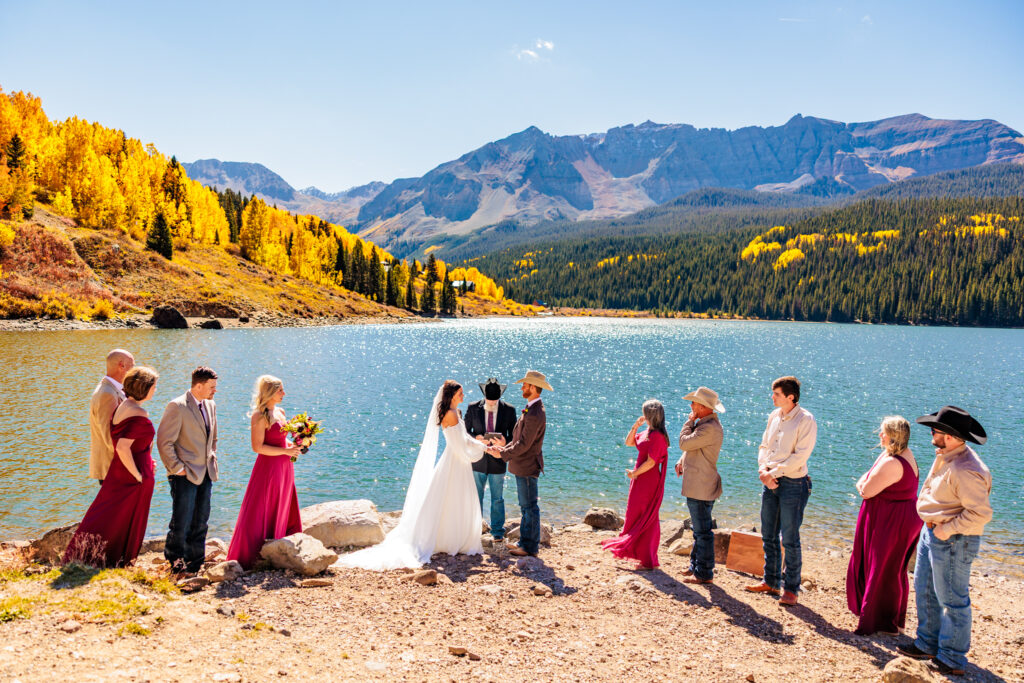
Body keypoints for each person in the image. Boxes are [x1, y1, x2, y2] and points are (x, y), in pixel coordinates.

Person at [336, 380, 488, 570]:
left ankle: (453, 539)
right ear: (451, 395)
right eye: (460, 394)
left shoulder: (455, 413)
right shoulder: (450, 414)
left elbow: (464, 439)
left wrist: (481, 444)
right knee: (454, 499)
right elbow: (459, 446)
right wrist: (481, 449)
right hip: (455, 462)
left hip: (458, 462)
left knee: (453, 500)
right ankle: (451, 540)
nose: (463, 396)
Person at [897, 406, 992, 677]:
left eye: (935, 430)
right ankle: (927, 643)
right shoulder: (947, 455)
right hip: (935, 533)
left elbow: (980, 514)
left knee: (953, 599)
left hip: (953, 539)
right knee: (925, 588)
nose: (931, 433)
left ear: (949, 436)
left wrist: (945, 530)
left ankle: (951, 657)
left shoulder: (966, 469)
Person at [65, 366, 159, 567]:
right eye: (154, 386)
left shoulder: (123, 405)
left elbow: (132, 445)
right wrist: (138, 475)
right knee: (122, 517)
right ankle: (116, 558)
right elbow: (123, 448)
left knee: (109, 515)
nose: (155, 390)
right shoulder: (138, 412)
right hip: (132, 475)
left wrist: (148, 461)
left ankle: (92, 555)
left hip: (122, 471)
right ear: (145, 387)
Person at [846, 416, 922, 635]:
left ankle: (880, 623)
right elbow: (867, 478)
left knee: (882, 568)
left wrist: (863, 484)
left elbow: (866, 489)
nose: (880, 435)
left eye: (883, 432)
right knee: (892, 569)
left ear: (893, 436)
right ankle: (892, 620)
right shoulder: (901, 454)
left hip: (892, 520)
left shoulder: (892, 462)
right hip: (897, 517)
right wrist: (865, 482)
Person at [745, 375, 816, 606]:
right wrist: (762, 470)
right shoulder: (774, 416)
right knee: (768, 534)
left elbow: (800, 457)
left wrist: (771, 474)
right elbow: (764, 445)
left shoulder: (806, 420)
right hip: (769, 480)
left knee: (790, 539)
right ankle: (771, 581)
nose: (772, 397)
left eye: (776, 394)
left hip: (794, 484)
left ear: (790, 397)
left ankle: (792, 589)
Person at [226, 376, 303, 569]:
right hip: (268, 469)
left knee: (283, 503)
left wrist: (293, 447)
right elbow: (257, 447)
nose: (284, 394)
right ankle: (251, 555)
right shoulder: (259, 416)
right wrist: (285, 451)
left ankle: (279, 548)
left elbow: (281, 440)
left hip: (285, 467)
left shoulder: (281, 412)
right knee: (261, 507)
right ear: (270, 392)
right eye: (280, 390)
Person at [157, 366, 219, 575]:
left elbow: (213, 437)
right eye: (211, 387)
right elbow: (164, 442)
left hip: (206, 472)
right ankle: (175, 560)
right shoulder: (177, 406)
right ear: (198, 386)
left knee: (201, 518)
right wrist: (178, 469)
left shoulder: (210, 405)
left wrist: (212, 456)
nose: (214, 391)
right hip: (184, 474)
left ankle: (196, 561)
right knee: (181, 520)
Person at [488, 370, 551, 557]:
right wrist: (504, 447)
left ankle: (530, 547)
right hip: (523, 464)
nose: (522, 387)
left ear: (533, 387)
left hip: (528, 465)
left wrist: (503, 454)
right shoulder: (531, 408)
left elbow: (524, 444)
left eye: (525, 385)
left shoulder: (535, 412)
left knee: (529, 506)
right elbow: (520, 439)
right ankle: (524, 542)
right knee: (525, 506)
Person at [601, 399, 669, 570]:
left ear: (650, 415)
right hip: (639, 479)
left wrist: (634, 473)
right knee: (635, 513)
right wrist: (635, 426)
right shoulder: (648, 432)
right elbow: (629, 443)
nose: (643, 416)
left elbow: (651, 462)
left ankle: (647, 558)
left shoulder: (658, 437)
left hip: (647, 481)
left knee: (647, 517)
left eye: (644, 413)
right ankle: (636, 552)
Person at [675, 387, 725, 584]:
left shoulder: (708, 427)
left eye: (694, 403)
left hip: (702, 485)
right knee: (699, 529)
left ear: (703, 407)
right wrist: (681, 460)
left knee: (702, 531)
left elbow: (685, 442)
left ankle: (704, 573)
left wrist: (688, 421)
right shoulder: (705, 425)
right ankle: (695, 566)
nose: (691, 406)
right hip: (700, 483)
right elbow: (691, 448)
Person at [465, 377, 517, 543]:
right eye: (490, 400)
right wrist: (477, 438)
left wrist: (504, 442)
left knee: (497, 497)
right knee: (476, 496)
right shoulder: (473, 408)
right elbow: (464, 432)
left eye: (495, 400)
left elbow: (514, 436)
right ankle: (475, 530)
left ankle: (497, 532)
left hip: (498, 460)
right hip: (477, 459)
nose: (492, 403)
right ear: (484, 396)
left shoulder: (509, 410)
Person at [89, 349, 134, 483]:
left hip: (116, 468)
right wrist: (133, 463)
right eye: (132, 366)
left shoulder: (112, 389)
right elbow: (109, 435)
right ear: (122, 365)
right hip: (114, 470)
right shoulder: (107, 394)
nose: (134, 371)